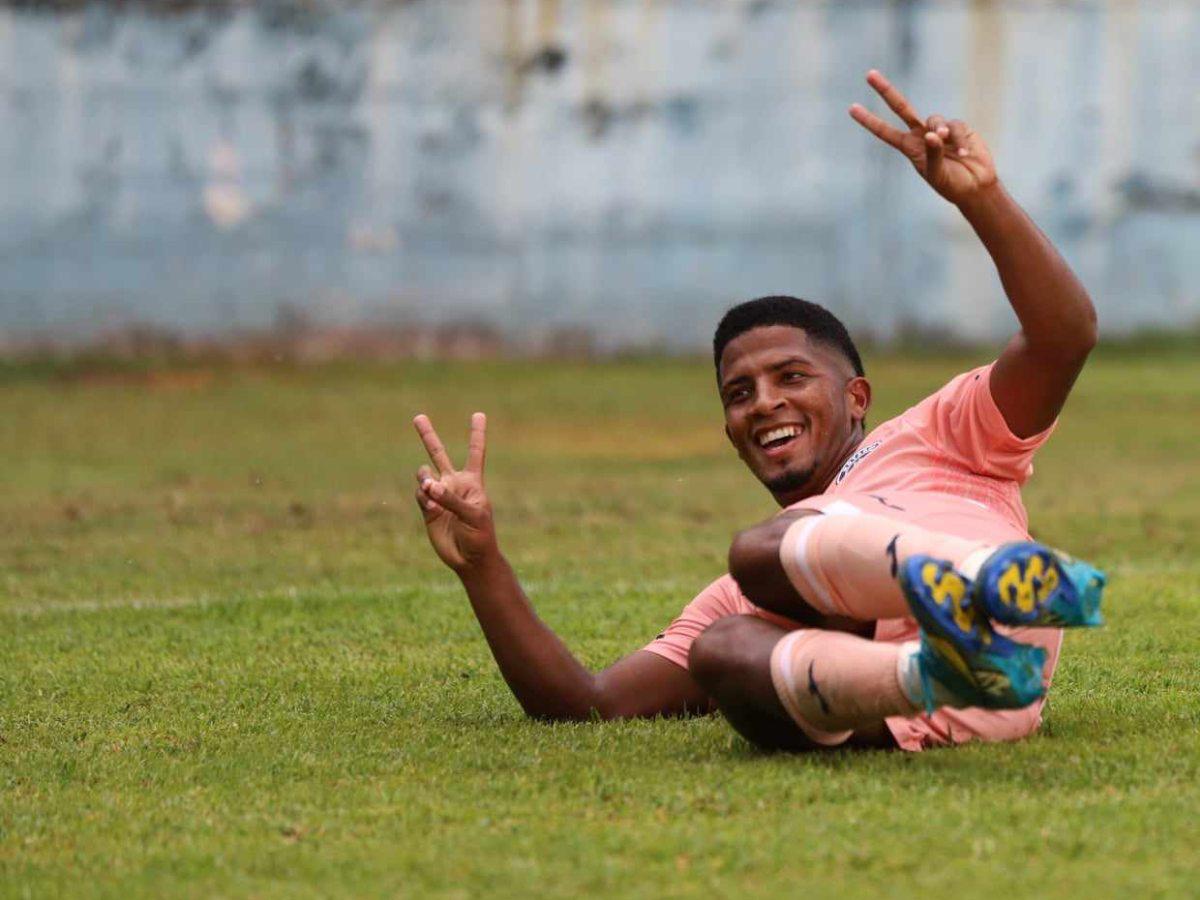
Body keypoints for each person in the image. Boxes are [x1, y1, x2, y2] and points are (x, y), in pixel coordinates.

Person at [410, 71, 1107, 753]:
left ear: (855, 397)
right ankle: (931, 674)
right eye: (738, 393)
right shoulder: (747, 584)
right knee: (724, 649)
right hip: (968, 701)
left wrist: (982, 198)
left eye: (791, 376)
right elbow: (589, 705)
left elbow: (1062, 336)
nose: (764, 402)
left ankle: (987, 579)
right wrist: (482, 565)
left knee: (761, 550)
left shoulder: (944, 431)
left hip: (1005, 607)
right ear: (729, 431)